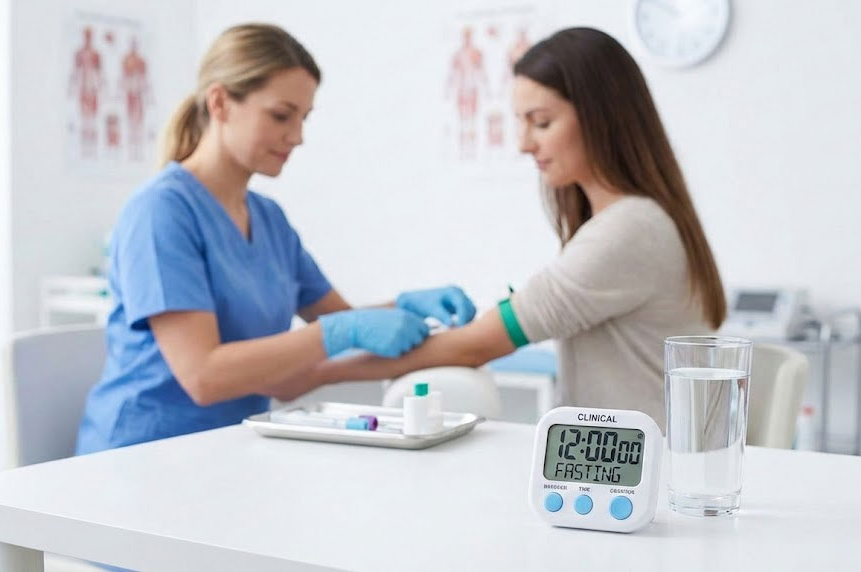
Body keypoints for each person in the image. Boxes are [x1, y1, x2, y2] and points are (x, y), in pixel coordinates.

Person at [76, 24, 476, 454]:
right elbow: (204, 377)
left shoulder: (269, 220)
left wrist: (403, 307)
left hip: (227, 450)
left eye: (304, 118)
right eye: (281, 116)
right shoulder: (161, 212)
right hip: (139, 457)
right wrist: (345, 329)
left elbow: (341, 326)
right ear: (220, 102)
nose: (298, 137)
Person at [302, 27, 726, 431]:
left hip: (642, 471)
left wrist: (319, 372)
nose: (525, 144)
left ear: (601, 118)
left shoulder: (628, 231)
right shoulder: (635, 221)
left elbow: (475, 345)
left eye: (541, 122)